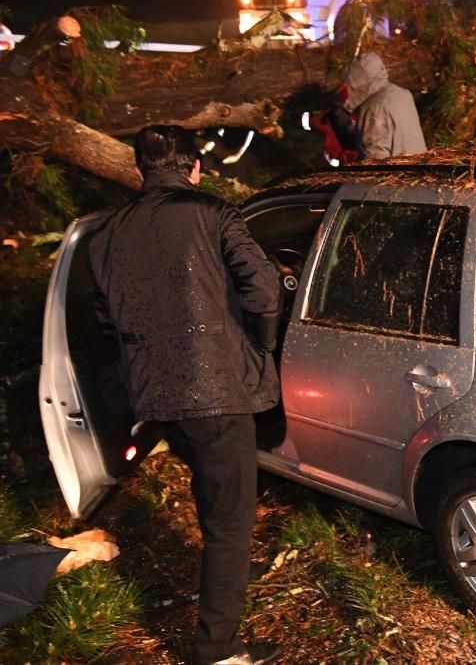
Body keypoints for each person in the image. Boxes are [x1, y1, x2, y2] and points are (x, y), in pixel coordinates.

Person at [89, 125, 281, 665]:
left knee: (211, 493)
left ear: (137, 172)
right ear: (196, 168)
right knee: (231, 521)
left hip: (156, 396)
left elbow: (108, 323)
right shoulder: (216, 213)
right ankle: (216, 650)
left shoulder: (104, 236)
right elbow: (265, 293)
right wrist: (257, 348)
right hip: (217, 392)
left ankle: (227, 578)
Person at [342, 51, 427, 160]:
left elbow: (375, 158)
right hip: (418, 169)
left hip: (396, 174)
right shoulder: (402, 94)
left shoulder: (374, 108)